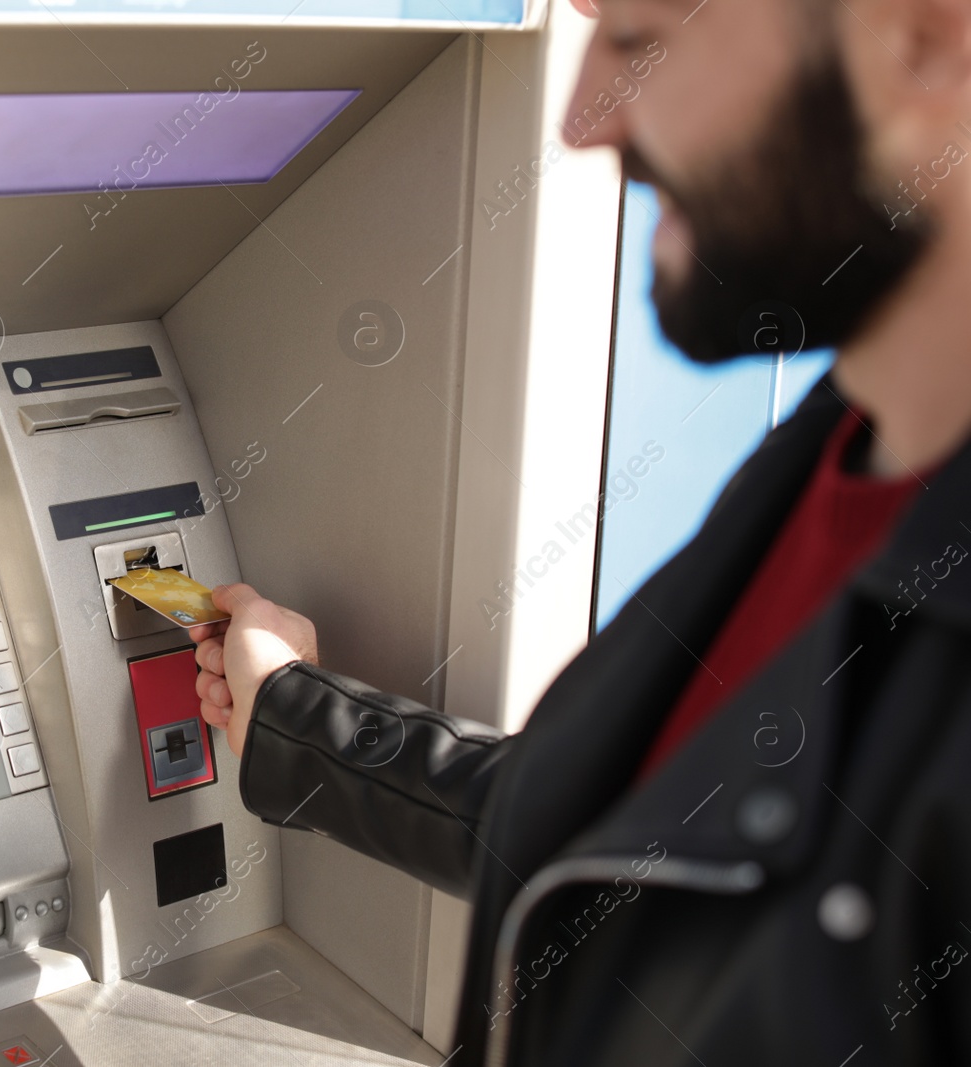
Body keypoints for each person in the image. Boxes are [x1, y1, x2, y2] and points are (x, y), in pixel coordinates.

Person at [189, 0, 971, 1063]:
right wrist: (297, 716)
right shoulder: (840, 444)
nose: (575, 123)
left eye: (642, 36)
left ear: (925, 34)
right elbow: (638, 833)